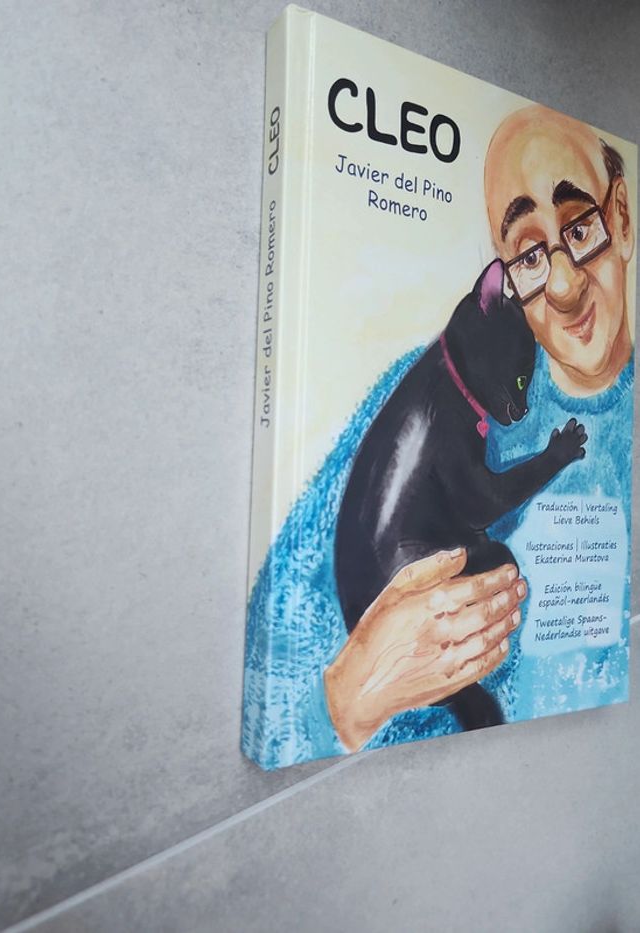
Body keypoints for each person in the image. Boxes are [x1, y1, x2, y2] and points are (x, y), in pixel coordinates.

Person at [242, 105, 634, 769]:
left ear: (622, 216)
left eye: (580, 227)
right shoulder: (435, 379)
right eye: (530, 254)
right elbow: (273, 692)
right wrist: (351, 697)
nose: (564, 285)